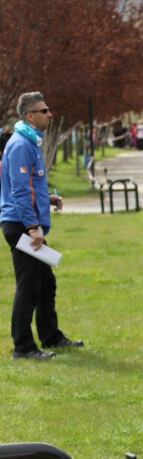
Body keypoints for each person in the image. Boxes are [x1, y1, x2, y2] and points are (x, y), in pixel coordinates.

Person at [1, 92, 84, 360]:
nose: (50, 114)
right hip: (20, 225)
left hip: (25, 223)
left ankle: (51, 337)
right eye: (44, 111)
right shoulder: (20, 145)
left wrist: (47, 199)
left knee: (46, 282)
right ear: (30, 116)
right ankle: (23, 347)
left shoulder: (30, 141)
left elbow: (29, 186)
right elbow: (19, 191)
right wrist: (33, 227)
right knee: (29, 286)